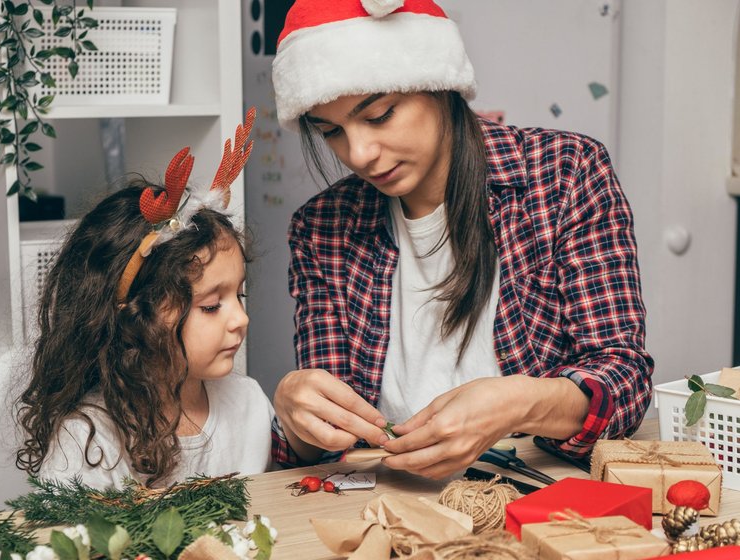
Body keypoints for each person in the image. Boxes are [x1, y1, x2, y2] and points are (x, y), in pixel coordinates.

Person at [269, 0, 654, 479]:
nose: (360, 154)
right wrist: (296, 420)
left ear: (438, 85)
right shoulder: (321, 228)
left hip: (540, 495)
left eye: (380, 115)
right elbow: (329, 448)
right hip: (390, 503)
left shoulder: (565, 174)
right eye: (332, 133)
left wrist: (519, 402)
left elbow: (625, 383)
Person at [16, 110, 274, 489]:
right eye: (211, 306)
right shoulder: (89, 439)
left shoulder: (248, 404)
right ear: (135, 316)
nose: (241, 319)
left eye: (240, 294)